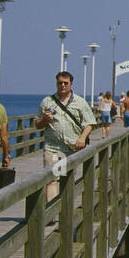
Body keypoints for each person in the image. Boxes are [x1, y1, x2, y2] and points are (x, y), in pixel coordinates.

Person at [35, 71, 95, 205]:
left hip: (71, 148)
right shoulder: (47, 101)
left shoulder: (80, 102)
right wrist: (44, 120)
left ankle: (63, 209)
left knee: (66, 180)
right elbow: (37, 125)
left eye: (65, 83)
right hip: (53, 147)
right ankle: (50, 214)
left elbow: (90, 123)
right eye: (59, 83)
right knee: (51, 179)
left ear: (71, 84)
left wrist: (82, 138)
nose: (62, 85)